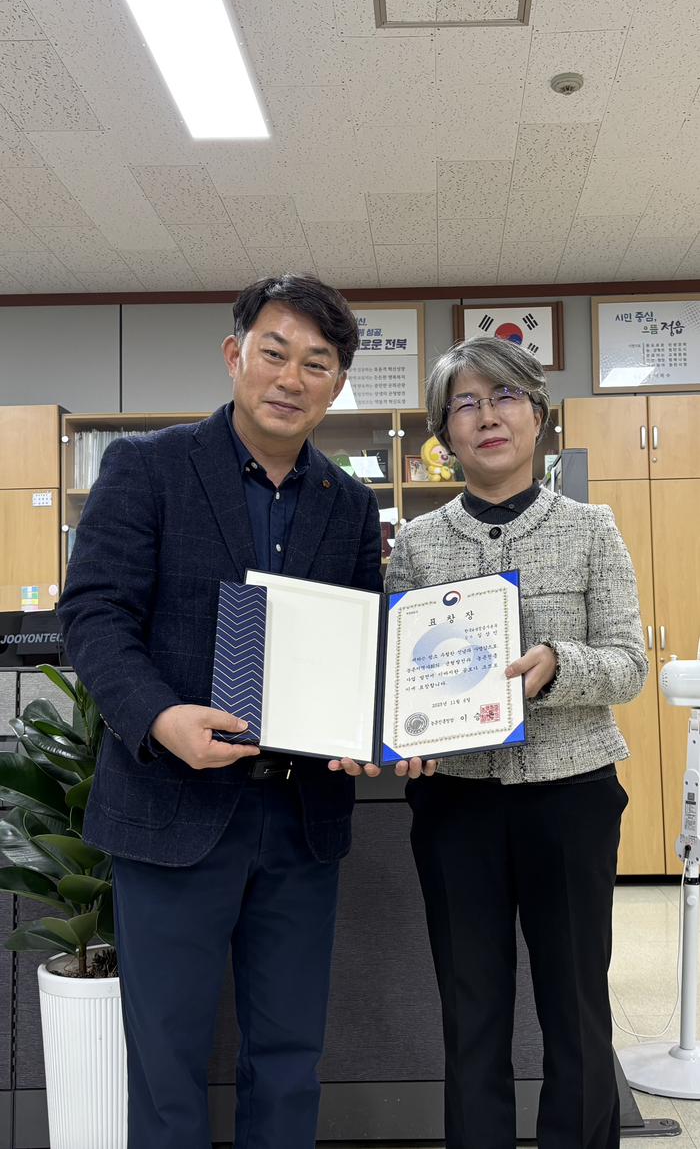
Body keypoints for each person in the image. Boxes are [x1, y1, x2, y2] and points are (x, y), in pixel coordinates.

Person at [57, 274, 383, 1149]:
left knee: (287, 1052)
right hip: (172, 809)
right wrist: (161, 719)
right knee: (164, 1058)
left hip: (301, 813)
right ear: (236, 354)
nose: (291, 377)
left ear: (337, 382)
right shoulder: (150, 466)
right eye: (274, 352)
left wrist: (370, 728)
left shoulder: (348, 505)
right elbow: (91, 616)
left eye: (317, 363)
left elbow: (362, 642)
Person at [335, 335, 648, 1149]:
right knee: (470, 1005)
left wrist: (556, 665)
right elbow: (402, 672)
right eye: (464, 405)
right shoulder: (419, 544)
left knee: (575, 1004)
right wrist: (398, 729)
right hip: (456, 801)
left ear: (537, 416)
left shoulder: (590, 528)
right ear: (444, 435)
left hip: (572, 793)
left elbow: (627, 663)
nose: (487, 416)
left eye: (504, 397)